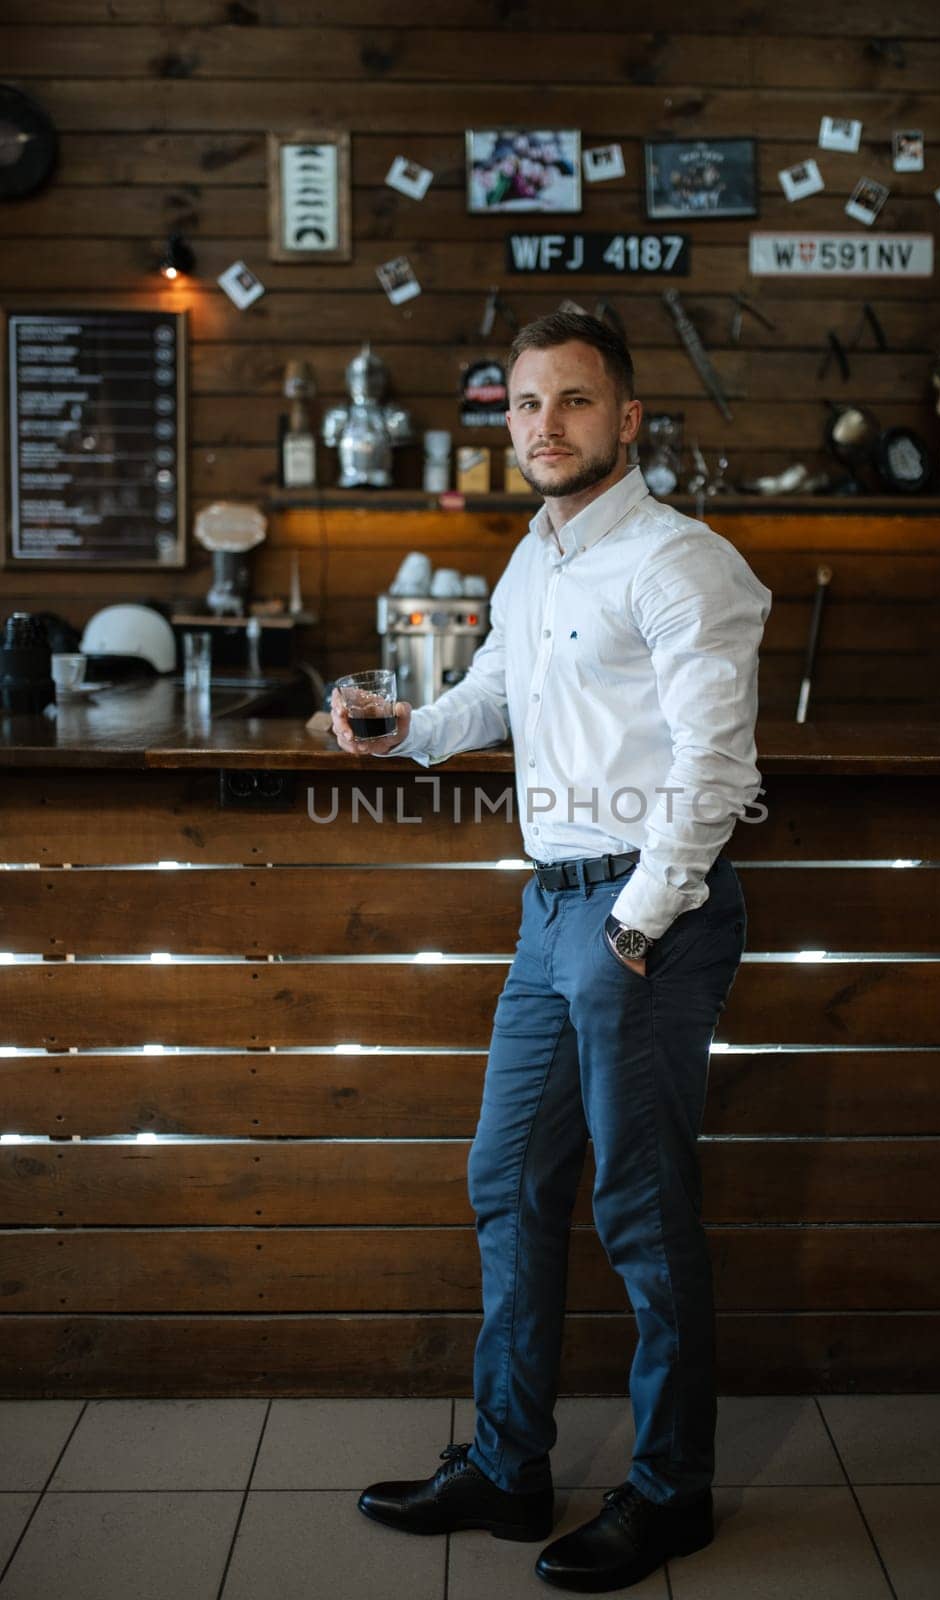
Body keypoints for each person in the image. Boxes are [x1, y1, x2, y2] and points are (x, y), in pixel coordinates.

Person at [331, 311, 772, 1593]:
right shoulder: (534, 562)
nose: (544, 427)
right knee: (507, 1182)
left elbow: (717, 768)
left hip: (645, 916)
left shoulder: (681, 562)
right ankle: (509, 1467)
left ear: (627, 420)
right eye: (525, 405)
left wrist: (639, 920)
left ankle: (671, 1491)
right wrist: (405, 728)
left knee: (640, 1211)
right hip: (549, 912)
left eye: (573, 403)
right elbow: (496, 697)